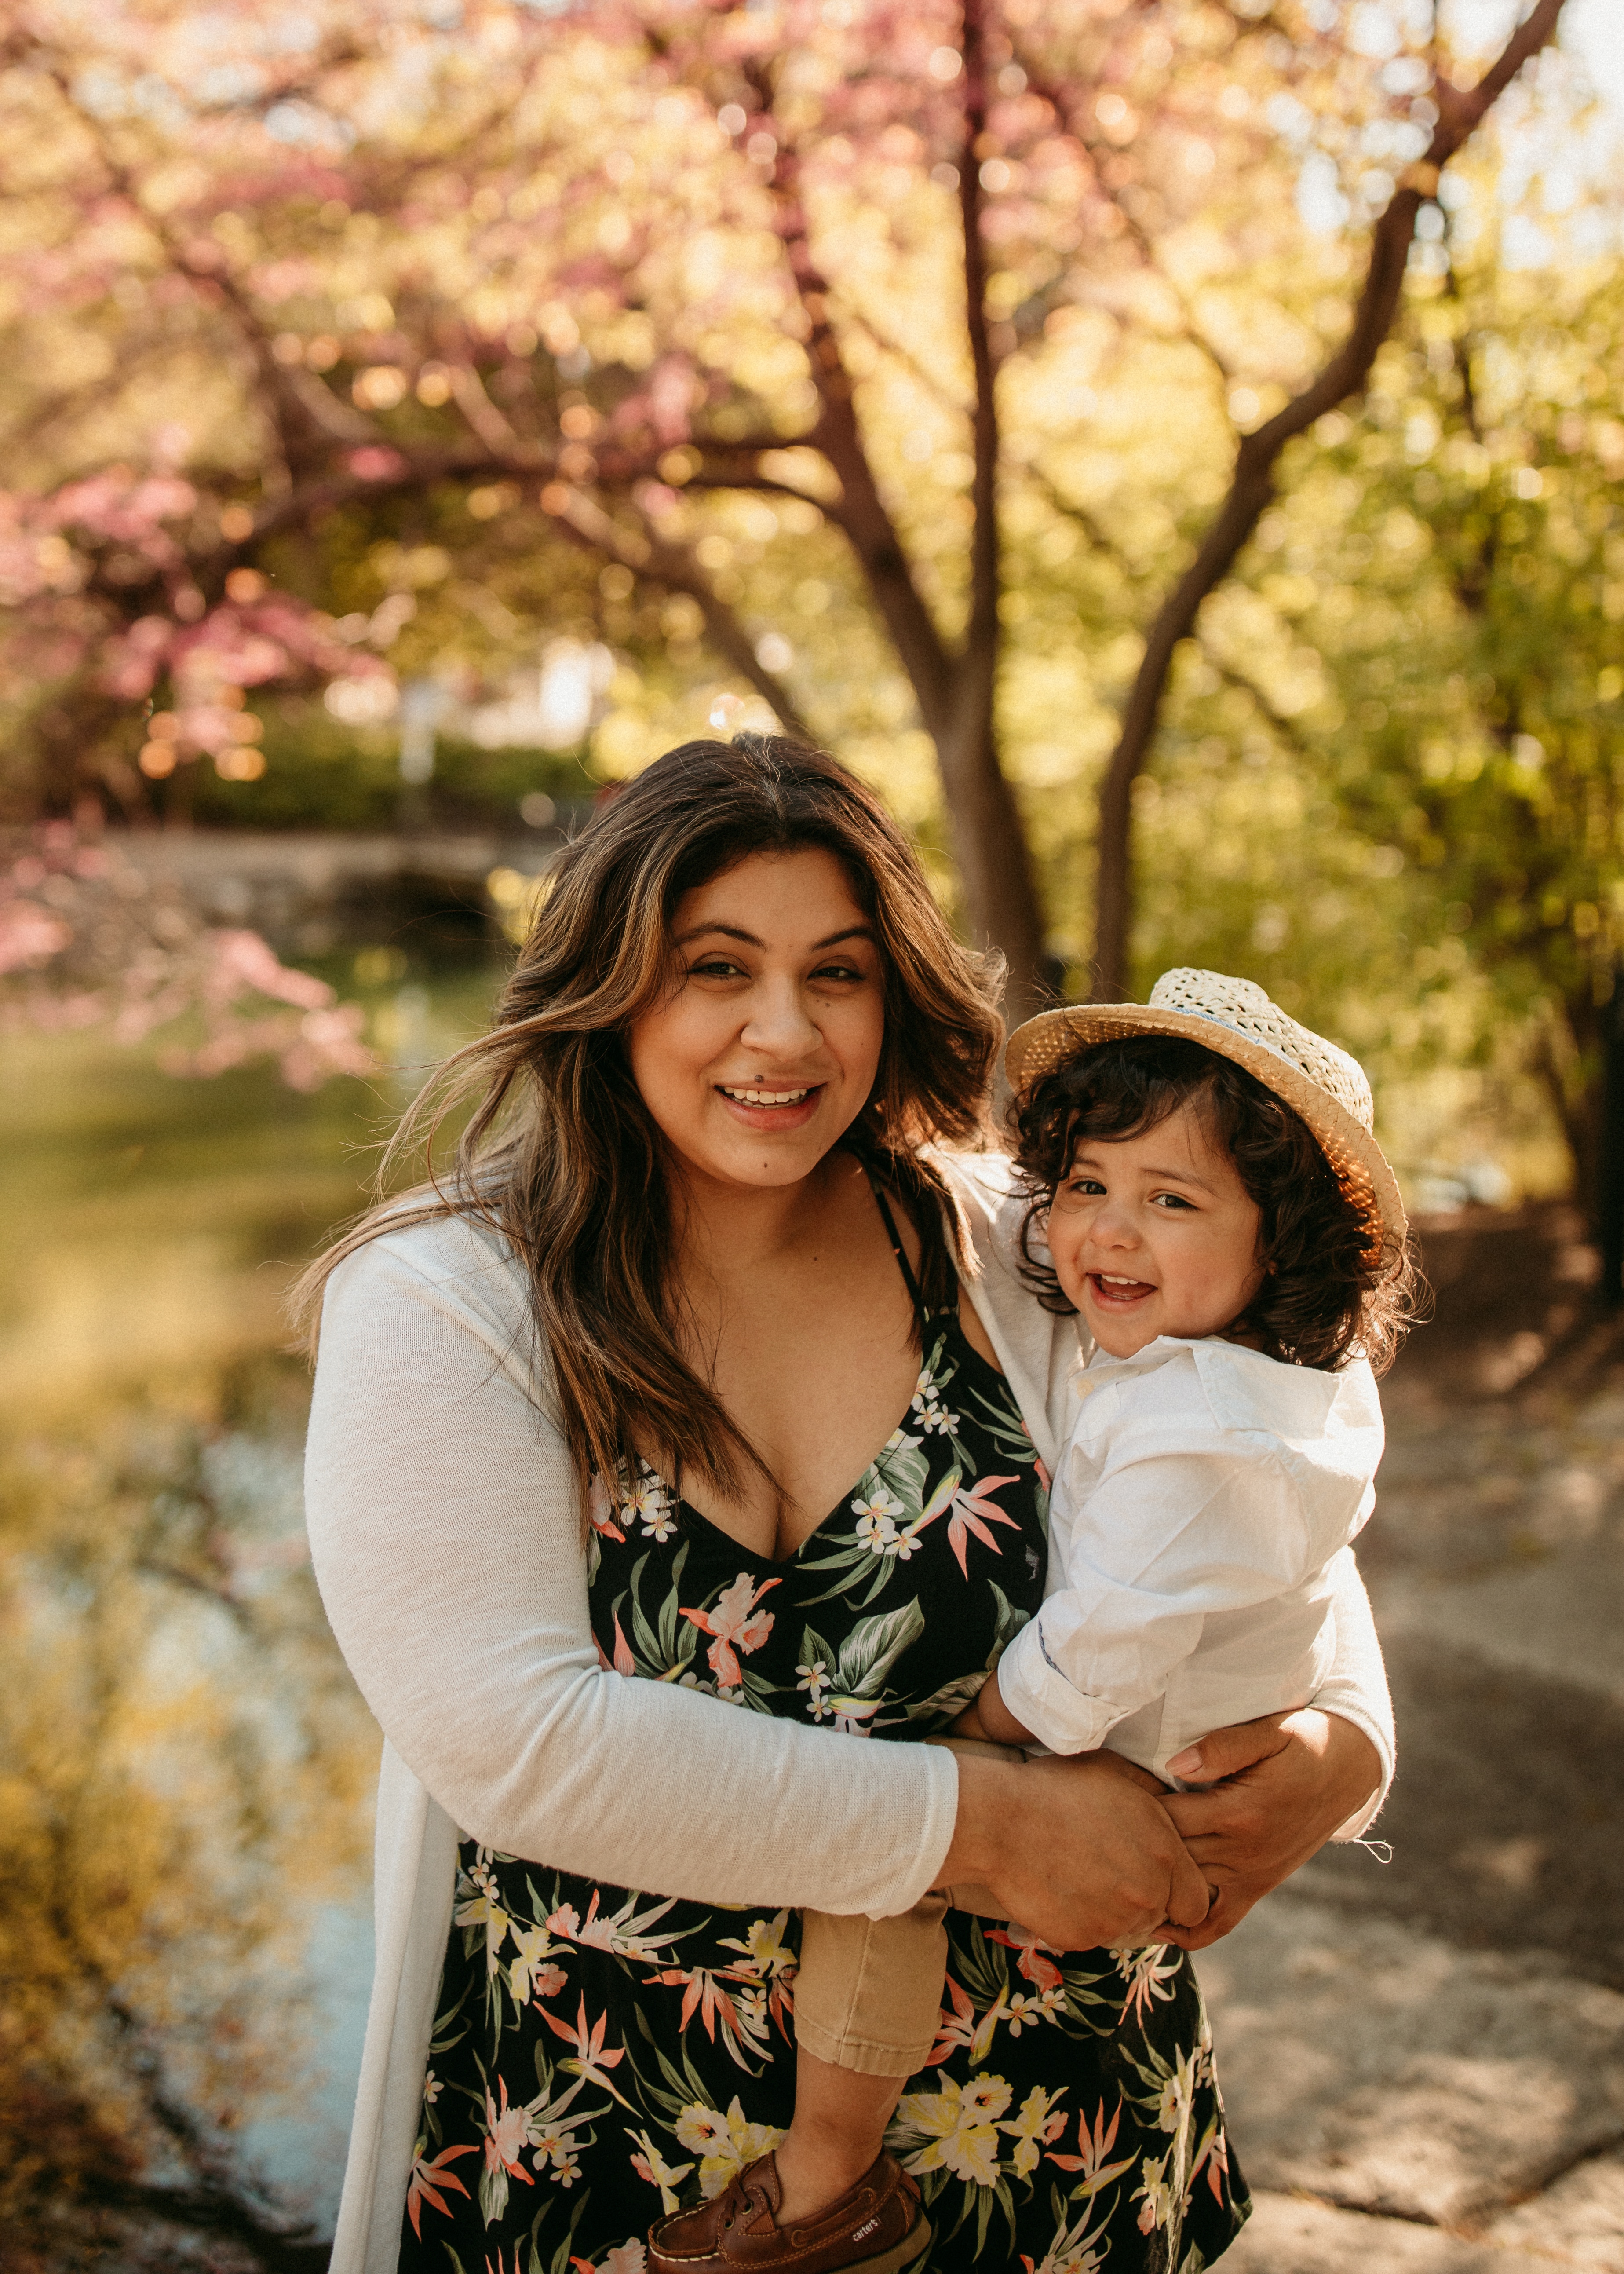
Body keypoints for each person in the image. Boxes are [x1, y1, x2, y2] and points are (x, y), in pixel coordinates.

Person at [299, 736, 1395, 2274]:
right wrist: (997, 1824)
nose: (782, 1030)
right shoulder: (450, 1297)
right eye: (715, 966)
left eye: (839, 971)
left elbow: (1247, 1474)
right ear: (608, 985)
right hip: (620, 2144)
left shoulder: (1016, 1241)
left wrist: (1343, 1741)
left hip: (1052, 2135)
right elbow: (517, 1741)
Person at [755, 973, 1413, 2263]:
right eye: (1089, 1187)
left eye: (1173, 1200)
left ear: (1281, 1241)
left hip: (1127, 1756)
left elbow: (1091, 1652)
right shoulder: (1263, 1377)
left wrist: (970, 1736)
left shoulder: (1190, 1430)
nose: (1110, 1233)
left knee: (890, 1867)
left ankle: (824, 2178)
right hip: (1167, 1746)